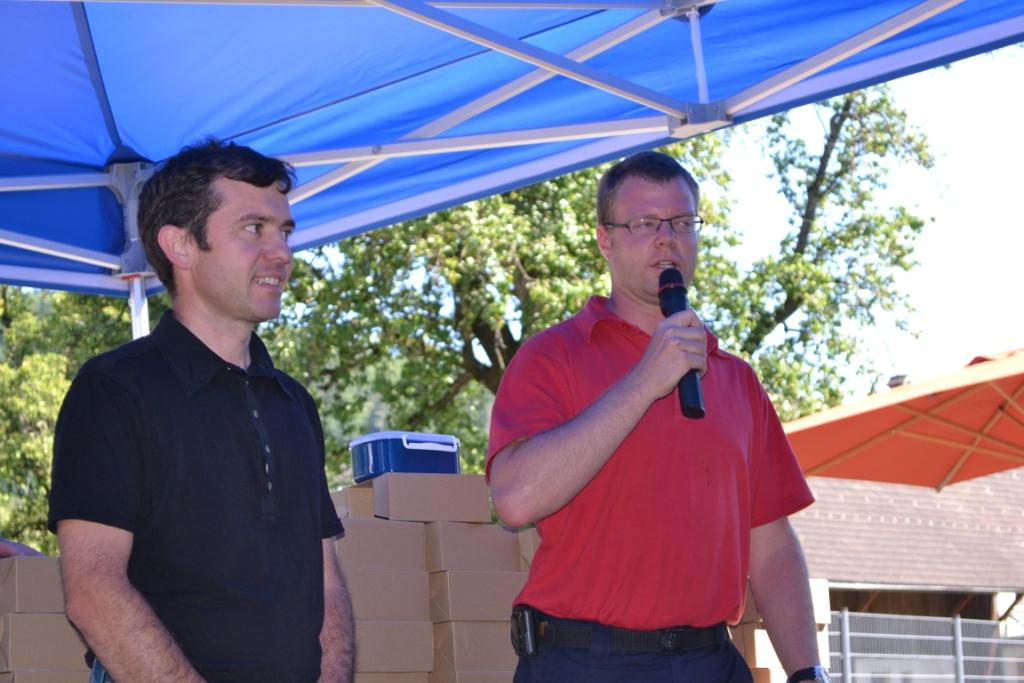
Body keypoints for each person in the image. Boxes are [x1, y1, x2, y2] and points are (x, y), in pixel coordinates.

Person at [487, 151, 829, 683]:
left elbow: (771, 542)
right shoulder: (552, 356)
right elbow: (515, 500)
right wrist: (647, 380)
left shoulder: (736, 379)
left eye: (682, 222)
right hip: (585, 662)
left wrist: (807, 672)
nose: (667, 239)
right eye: (645, 223)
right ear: (605, 240)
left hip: (710, 660)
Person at [48, 140, 355, 683]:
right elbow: (93, 591)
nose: (281, 253)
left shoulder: (293, 403)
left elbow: (324, 580)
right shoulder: (113, 391)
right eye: (254, 228)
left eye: (284, 232)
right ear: (180, 245)